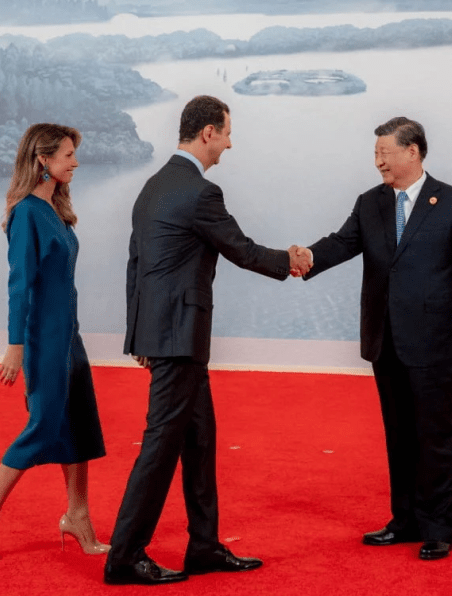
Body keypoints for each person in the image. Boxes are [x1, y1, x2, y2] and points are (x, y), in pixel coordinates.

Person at [103, 95, 313, 586]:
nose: (230, 144)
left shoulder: (152, 186)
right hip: (180, 336)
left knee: (200, 440)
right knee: (161, 445)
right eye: (227, 133)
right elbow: (242, 250)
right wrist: (291, 260)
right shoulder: (200, 192)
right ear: (208, 133)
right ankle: (124, 556)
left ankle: (203, 546)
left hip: (167, 334)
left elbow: (136, 265)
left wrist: (138, 335)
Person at [300, 116, 452, 561]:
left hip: (435, 340)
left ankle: (439, 527)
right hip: (385, 340)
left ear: (412, 151)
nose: (378, 161)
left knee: (435, 436)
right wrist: (305, 258)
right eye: (375, 154)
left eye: (385, 152)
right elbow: (341, 243)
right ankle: (405, 521)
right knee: (399, 435)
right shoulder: (370, 203)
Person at [0, 124, 108, 560]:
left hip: (69, 336)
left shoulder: (53, 209)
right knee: (42, 426)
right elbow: (19, 284)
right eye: (67, 155)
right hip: (43, 338)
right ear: (43, 159)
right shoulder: (26, 213)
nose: (75, 162)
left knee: (79, 423)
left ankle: (78, 516)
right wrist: (15, 346)